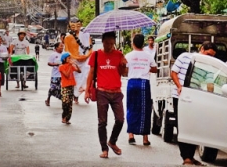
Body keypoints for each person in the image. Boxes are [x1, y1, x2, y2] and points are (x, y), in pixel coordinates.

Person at [171, 41, 218, 166]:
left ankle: (190, 156)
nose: (210, 58)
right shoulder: (184, 57)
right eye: (208, 54)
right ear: (201, 49)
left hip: (195, 98)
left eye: (212, 56)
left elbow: (210, 84)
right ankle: (186, 157)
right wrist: (179, 86)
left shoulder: (209, 66)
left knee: (194, 127)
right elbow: (174, 72)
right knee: (182, 126)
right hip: (180, 97)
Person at [85, 31, 127, 159]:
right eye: (107, 43)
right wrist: (87, 90)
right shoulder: (96, 55)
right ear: (102, 42)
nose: (110, 46)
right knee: (102, 122)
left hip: (116, 92)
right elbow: (91, 73)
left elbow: (124, 74)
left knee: (120, 119)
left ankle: (112, 141)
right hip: (102, 92)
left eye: (112, 43)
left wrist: (124, 65)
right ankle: (104, 149)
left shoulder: (119, 54)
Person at [125, 34, 157, 146]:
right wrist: (146, 67)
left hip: (132, 83)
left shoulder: (128, 55)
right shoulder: (148, 56)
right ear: (143, 43)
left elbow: (124, 69)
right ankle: (145, 138)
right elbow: (154, 69)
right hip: (144, 83)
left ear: (133, 43)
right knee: (144, 110)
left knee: (131, 108)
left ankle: (131, 135)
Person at [64, 17, 92, 103]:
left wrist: (85, 56)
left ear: (80, 25)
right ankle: (75, 96)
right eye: (73, 26)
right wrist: (75, 58)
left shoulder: (86, 35)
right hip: (74, 60)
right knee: (75, 79)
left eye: (77, 25)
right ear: (70, 26)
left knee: (86, 76)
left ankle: (85, 93)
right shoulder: (68, 37)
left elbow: (90, 48)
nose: (75, 28)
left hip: (85, 60)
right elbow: (67, 50)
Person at [59, 52, 81, 125]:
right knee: (65, 102)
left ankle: (67, 118)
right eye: (68, 58)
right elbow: (67, 75)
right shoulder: (61, 66)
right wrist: (70, 65)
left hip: (71, 86)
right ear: (64, 59)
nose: (70, 59)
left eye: (70, 58)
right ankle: (63, 117)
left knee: (70, 104)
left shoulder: (71, 66)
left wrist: (76, 65)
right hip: (65, 86)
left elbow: (79, 71)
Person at [46, 42, 64, 107]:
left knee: (60, 89)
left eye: (62, 46)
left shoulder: (63, 55)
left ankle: (63, 101)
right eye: (60, 46)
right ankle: (48, 99)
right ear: (56, 48)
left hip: (62, 75)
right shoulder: (53, 55)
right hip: (55, 75)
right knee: (52, 88)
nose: (62, 47)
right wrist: (56, 64)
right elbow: (49, 63)